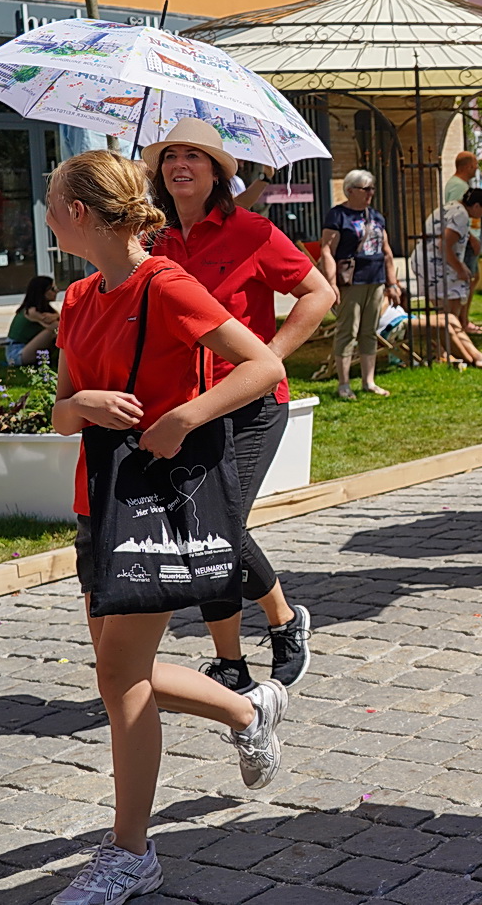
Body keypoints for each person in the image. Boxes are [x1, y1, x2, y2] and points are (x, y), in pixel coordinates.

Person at [44, 150, 289, 905]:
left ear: (80, 215)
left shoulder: (167, 284)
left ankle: (130, 852)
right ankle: (248, 707)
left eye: (53, 204)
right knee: (125, 677)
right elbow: (58, 413)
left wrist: (186, 415)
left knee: (119, 677)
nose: (47, 217)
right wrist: (84, 405)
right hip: (101, 503)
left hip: (155, 505)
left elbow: (262, 367)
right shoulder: (80, 297)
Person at [146, 118, 333, 693]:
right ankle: (230, 660)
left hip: (250, 404)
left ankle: (282, 619)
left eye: (194, 157)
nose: (180, 165)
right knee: (196, 529)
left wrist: (270, 358)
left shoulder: (251, 230)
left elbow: (319, 293)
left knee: (218, 525)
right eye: (170, 155)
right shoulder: (153, 241)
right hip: (186, 405)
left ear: (218, 171)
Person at [319, 169, 397, 399]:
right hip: (350, 281)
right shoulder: (337, 216)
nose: (370, 193)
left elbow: (387, 251)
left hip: (376, 279)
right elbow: (327, 250)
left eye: (372, 188)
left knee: (369, 331)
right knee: (347, 331)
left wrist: (392, 283)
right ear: (350, 190)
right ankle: (343, 383)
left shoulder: (376, 216)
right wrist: (331, 283)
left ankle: (368, 381)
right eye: (366, 189)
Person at [426, 187, 482, 368]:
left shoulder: (451, 207)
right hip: (441, 268)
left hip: (433, 265)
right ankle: (448, 353)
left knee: (448, 313)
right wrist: (460, 268)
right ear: (477, 205)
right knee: (449, 313)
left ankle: (450, 352)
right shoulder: (461, 215)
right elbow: (444, 245)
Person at [5, 275, 59, 366]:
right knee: (53, 331)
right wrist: (58, 316)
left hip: (27, 348)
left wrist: (56, 315)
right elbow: (57, 326)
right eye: (53, 288)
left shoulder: (45, 309)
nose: (57, 291)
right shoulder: (31, 311)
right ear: (42, 292)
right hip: (16, 354)